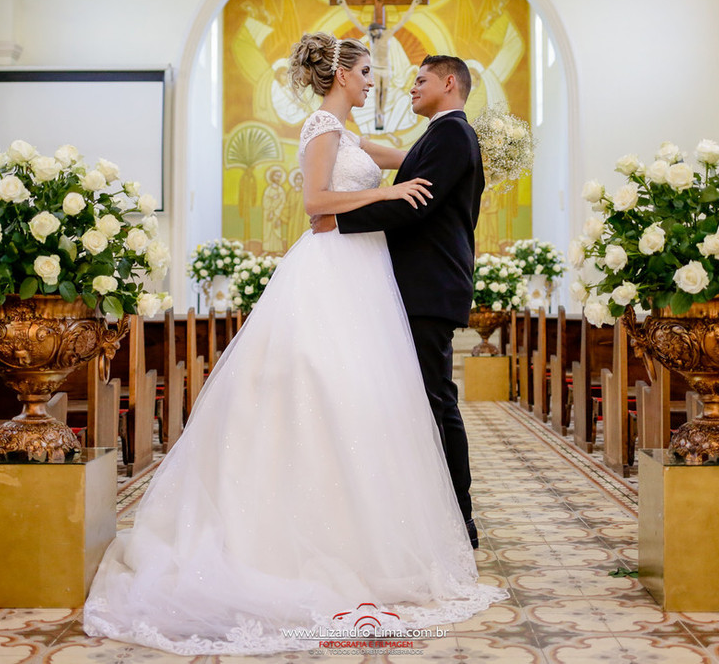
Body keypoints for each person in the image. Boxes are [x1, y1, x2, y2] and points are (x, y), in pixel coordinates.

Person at [82, 32, 505, 656]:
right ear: (342, 75)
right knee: (326, 385)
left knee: (367, 397)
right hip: (335, 266)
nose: (374, 82)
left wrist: (477, 155)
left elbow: (415, 163)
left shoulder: (354, 135)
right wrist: (387, 192)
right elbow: (316, 203)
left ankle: (376, 524)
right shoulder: (321, 127)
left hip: (368, 274)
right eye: (366, 72)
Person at [312, 54, 485, 549]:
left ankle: (459, 519)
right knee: (416, 400)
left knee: (435, 401)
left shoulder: (452, 134)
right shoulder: (439, 135)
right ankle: (424, 511)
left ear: (449, 83)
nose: (411, 87)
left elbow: (416, 205)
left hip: (428, 287)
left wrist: (339, 222)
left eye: (421, 80)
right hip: (414, 285)